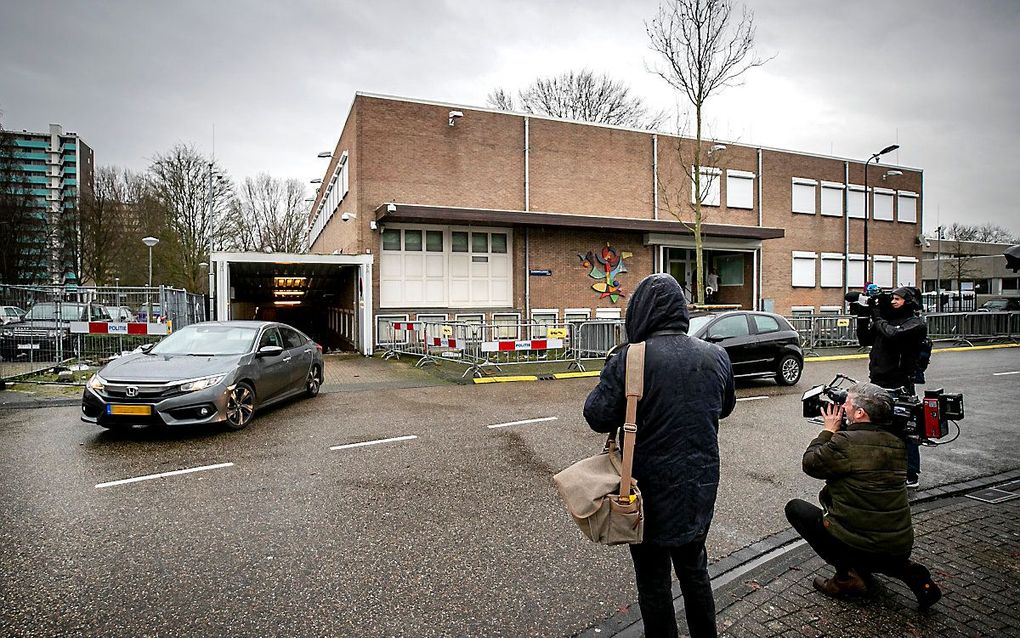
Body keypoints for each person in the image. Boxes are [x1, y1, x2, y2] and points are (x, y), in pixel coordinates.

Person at [584, 273, 736, 638]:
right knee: (695, 571)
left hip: (646, 490)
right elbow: (725, 407)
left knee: (653, 581)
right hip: (700, 483)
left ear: (641, 311)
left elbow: (596, 415)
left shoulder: (631, 358)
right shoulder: (716, 355)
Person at [785, 382, 941, 609]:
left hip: (860, 544)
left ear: (860, 413)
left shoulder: (845, 443)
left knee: (796, 509)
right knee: (879, 543)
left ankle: (847, 578)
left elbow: (810, 464)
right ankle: (905, 570)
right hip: (899, 545)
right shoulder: (897, 442)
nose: (841, 406)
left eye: (846, 403)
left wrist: (828, 430)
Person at [857, 286, 927, 487]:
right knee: (877, 426)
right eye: (892, 298)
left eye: (898, 298)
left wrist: (878, 316)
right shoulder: (886, 322)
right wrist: (863, 316)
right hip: (878, 380)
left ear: (909, 301)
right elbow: (864, 339)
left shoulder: (915, 323)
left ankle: (910, 473)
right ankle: (881, 467)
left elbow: (893, 335)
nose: (894, 301)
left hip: (899, 384)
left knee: (905, 429)